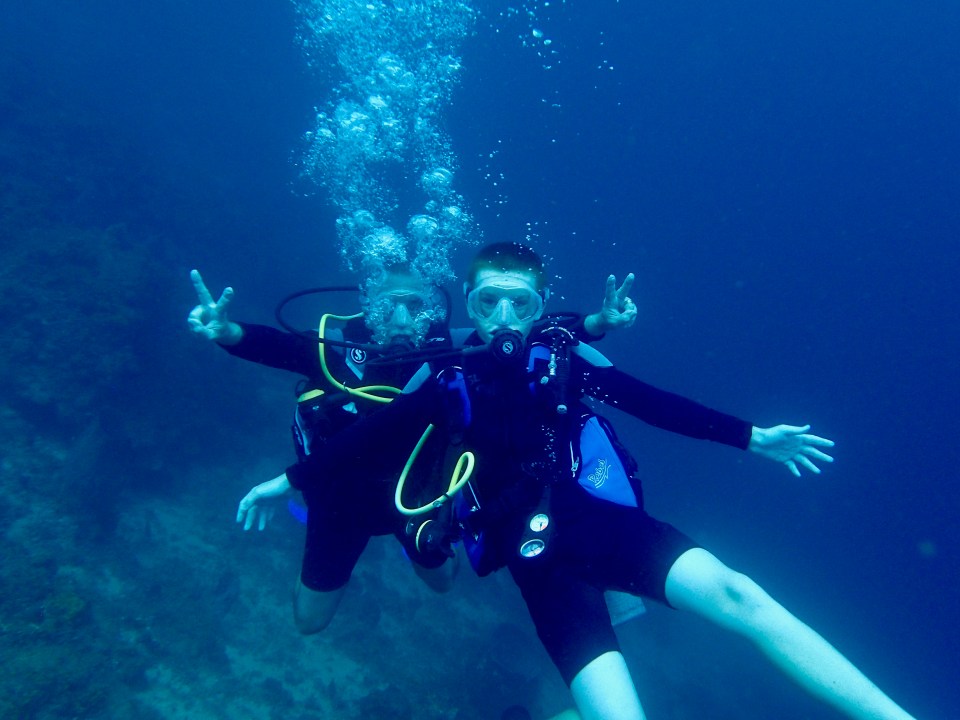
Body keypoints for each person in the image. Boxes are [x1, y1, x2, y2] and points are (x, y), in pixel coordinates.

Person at [267, 242, 919, 720]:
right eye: (488, 301)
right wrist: (289, 480)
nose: (503, 316)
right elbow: (368, 439)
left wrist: (754, 438)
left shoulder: (563, 360)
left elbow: (654, 403)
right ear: (468, 305)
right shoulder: (446, 379)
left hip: (605, 528)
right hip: (539, 567)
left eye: (520, 302)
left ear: (539, 307)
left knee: (741, 595)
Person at [189, 262, 640, 633]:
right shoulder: (337, 349)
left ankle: (413, 547)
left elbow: (528, 334)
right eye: (389, 306)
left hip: (417, 500)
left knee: (443, 583)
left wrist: (597, 323)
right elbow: (278, 347)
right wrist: (227, 332)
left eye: (416, 306)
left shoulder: (446, 350)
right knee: (310, 622)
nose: (403, 320)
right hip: (338, 503)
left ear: (432, 310)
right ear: (369, 304)